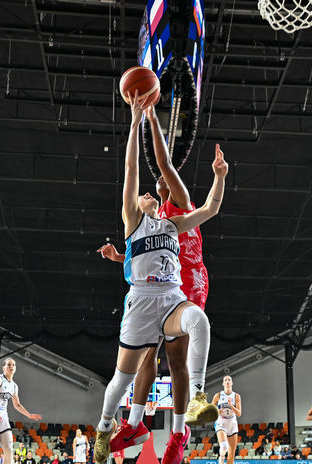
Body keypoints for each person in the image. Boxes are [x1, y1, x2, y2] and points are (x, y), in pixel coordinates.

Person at [92, 93, 227, 464]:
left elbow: (211, 209)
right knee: (121, 381)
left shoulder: (173, 221)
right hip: (140, 301)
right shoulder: (132, 221)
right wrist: (135, 123)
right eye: (145, 194)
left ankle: (198, 395)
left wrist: (219, 177)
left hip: (173, 295)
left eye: (154, 192)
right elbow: (131, 170)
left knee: (198, 321)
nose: (150, 192)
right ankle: (105, 428)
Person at [211, 376, 242, 464]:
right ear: (223, 383)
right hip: (221, 421)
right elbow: (211, 410)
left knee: (231, 454)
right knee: (224, 446)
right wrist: (217, 411)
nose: (227, 381)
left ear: (232, 383)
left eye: (229, 380)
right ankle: (221, 457)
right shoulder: (218, 395)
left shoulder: (236, 396)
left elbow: (239, 413)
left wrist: (231, 406)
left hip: (232, 422)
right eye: (225, 380)